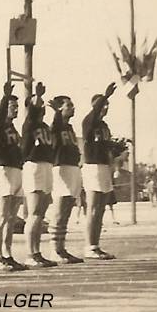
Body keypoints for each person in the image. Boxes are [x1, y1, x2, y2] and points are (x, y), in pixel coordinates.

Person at [20, 80, 58, 268]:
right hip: (33, 166)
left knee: (41, 214)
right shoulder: (29, 124)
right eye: (38, 105)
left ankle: (37, 252)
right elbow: (33, 110)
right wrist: (39, 96)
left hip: (46, 166)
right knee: (34, 213)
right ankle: (30, 253)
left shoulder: (44, 127)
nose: (41, 108)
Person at [0, 82, 27, 272]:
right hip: (4, 171)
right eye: (13, 107)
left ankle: (7, 254)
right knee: (2, 216)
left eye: (17, 107)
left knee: (12, 217)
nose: (16, 110)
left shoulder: (14, 129)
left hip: (16, 171)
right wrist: (6, 97)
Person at [81, 83, 118, 259]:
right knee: (93, 208)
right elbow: (95, 111)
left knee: (101, 208)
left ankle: (95, 245)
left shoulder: (104, 126)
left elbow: (107, 146)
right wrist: (106, 95)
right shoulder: (88, 122)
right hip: (93, 167)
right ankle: (89, 246)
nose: (105, 108)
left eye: (107, 106)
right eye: (102, 105)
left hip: (103, 166)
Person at [48, 95, 85, 264]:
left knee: (67, 210)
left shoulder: (69, 128)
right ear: (59, 109)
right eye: (69, 105)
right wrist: (56, 113)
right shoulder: (56, 127)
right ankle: (54, 249)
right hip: (61, 168)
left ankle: (62, 248)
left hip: (72, 167)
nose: (73, 108)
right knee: (59, 209)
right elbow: (55, 125)